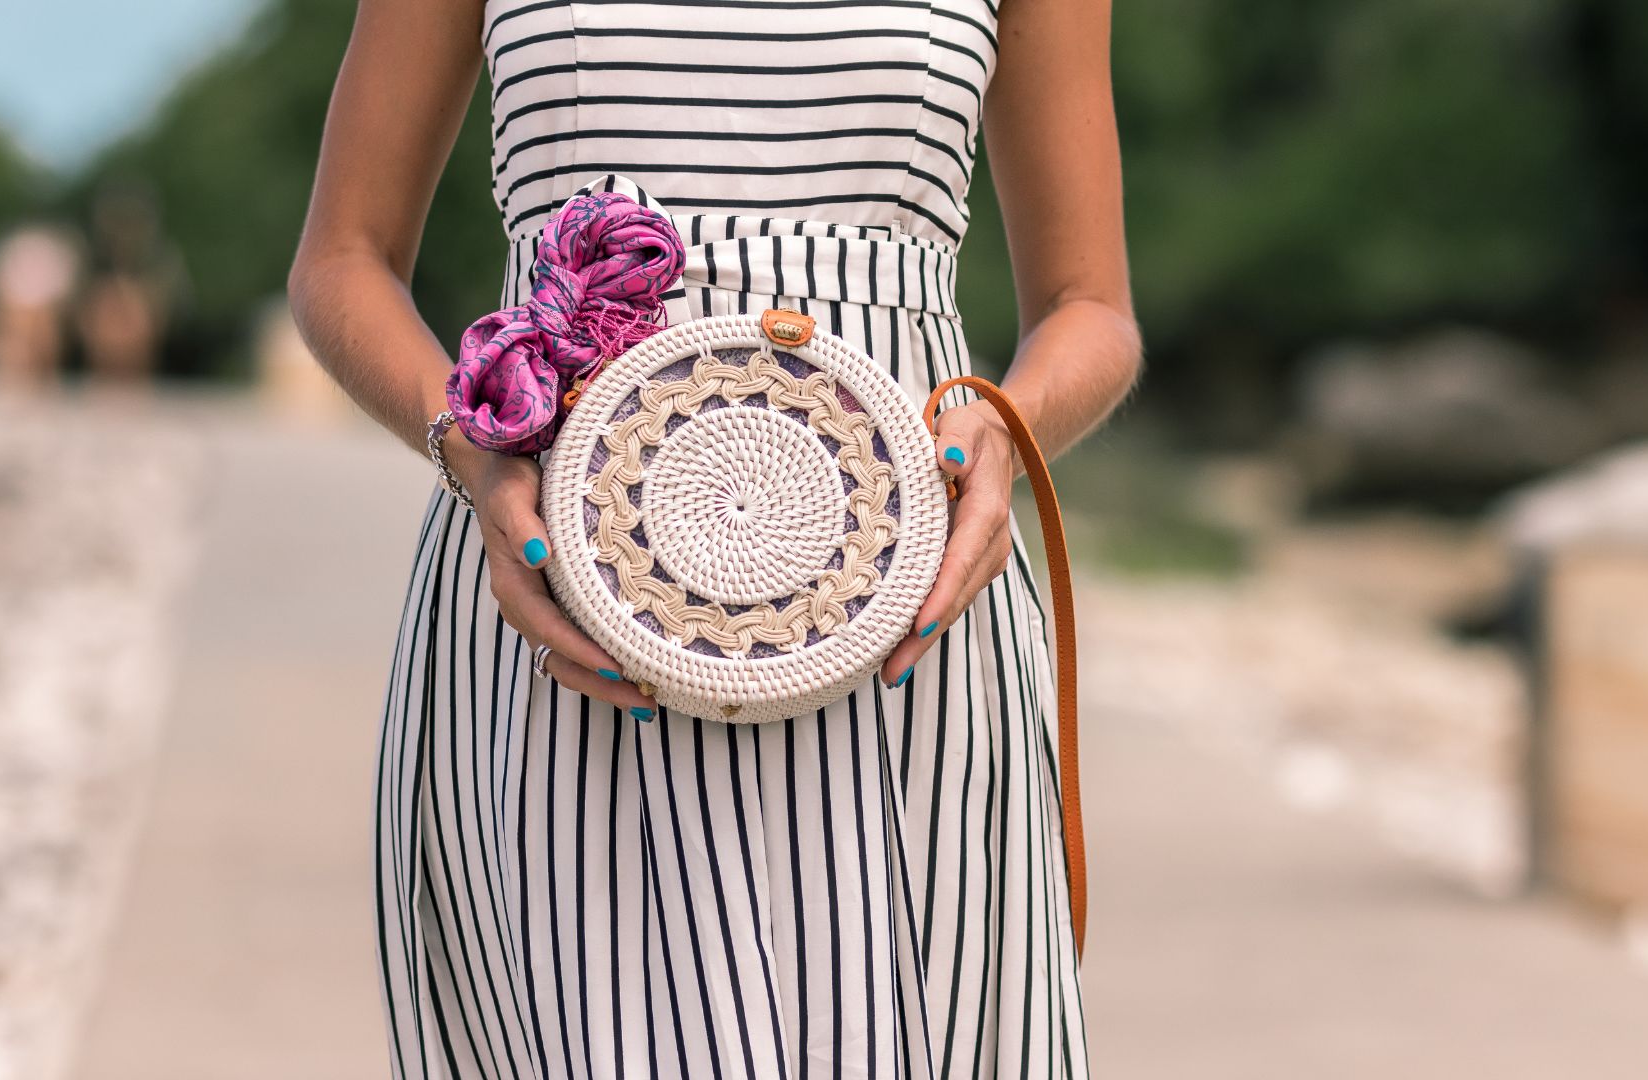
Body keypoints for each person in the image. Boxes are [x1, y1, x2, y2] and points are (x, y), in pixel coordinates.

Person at [287, 0, 1141, 1074]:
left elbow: (1089, 305)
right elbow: (343, 259)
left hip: (902, 621)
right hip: (561, 619)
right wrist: (475, 451)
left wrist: (1005, 436)